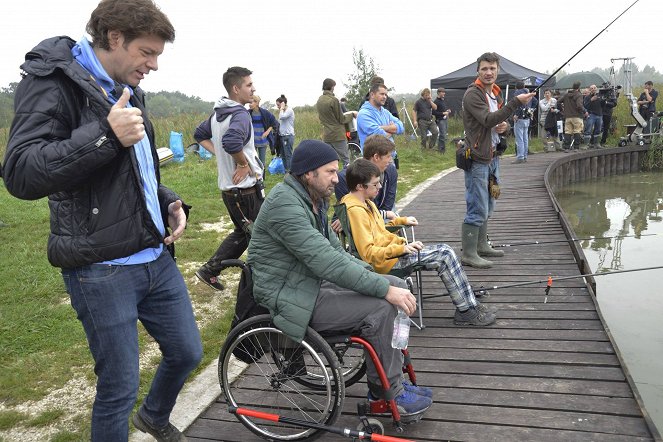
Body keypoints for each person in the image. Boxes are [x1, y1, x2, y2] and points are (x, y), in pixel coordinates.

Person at [2, 1, 202, 440]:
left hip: (155, 255)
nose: (153, 65)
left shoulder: (125, 85)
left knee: (187, 352)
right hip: (100, 268)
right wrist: (104, 135)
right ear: (114, 38)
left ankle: (153, 416)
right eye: (147, 53)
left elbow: (137, 168)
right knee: (118, 387)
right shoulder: (54, 82)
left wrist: (168, 201)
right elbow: (20, 171)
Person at [247, 140, 434, 418]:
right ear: (308, 173)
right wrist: (380, 288)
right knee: (382, 308)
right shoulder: (285, 205)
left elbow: (337, 251)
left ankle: (390, 378)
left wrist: (376, 278)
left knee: (398, 285)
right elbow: (326, 261)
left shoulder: (312, 199)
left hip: (308, 282)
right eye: (331, 172)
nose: (338, 179)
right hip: (290, 295)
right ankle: (386, 393)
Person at [341, 159, 497, 326]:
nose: (379, 187)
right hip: (388, 262)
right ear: (359, 186)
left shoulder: (365, 202)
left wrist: (401, 220)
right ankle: (467, 310)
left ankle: (469, 304)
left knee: (445, 251)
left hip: (393, 254)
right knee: (444, 254)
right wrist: (402, 248)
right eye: (375, 184)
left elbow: (378, 229)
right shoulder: (356, 211)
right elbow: (369, 253)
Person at [461, 52, 535, 268]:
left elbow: (498, 121)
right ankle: (469, 252)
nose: (489, 72)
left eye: (492, 68)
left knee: (491, 202)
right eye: (484, 68)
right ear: (478, 71)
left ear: (498, 70)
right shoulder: (472, 95)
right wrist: (515, 103)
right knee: (477, 205)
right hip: (477, 159)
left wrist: (506, 127)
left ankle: (482, 245)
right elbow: (487, 119)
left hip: (493, 157)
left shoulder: (494, 93)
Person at [194, 66, 264, 292]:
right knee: (258, 237)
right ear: (236, 89)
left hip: (234, 192)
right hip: (243, 192)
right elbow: (232, 143)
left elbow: (199, 135)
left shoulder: (218, 114)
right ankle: (257, 285)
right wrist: (242, 163)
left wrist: (220, 154)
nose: (253, 89)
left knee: (246, 234)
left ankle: (211, 270)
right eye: (249, 85)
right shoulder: (240, 114)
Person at [335, 134, 398, 220]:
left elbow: (388, 205)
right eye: (388, 156)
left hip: (379, 219)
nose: (391, 160)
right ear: (376, 157)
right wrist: (385, 214)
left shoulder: (390, 171)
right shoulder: (344, 178)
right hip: (357, 223)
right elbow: (350, 212)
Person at [316, 78, 357, 167]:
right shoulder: (333, 100)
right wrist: (352, 114)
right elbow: (341, 119)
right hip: (337, 135)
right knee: (346, 160)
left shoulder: (319, 100)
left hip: (326, 135)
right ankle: (348, 178)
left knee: (328, 161)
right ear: (332, 87)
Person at [357, 83, 405, 148]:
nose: (385, 97)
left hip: (391, 155)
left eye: (386, 95)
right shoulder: (364, 114)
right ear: (372, 95)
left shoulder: (385, 112)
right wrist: (392, 130)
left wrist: (382, 128)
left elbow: (401, 127)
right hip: (374, 156)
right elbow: (379, 137)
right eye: (382, 94)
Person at [248, 94, 278, 169]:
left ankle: (262, 178)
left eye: (251, 102)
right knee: (252, 161)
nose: (249, 104)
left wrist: (267, 131)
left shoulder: (265, 113)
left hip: (263, 141)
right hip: (252, 142)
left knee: (261, 162)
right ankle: (255, 179)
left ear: (257, 103)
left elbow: (274, 123)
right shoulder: (248, 113)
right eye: (249, 102)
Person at [512, 81, 536, 163]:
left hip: (520, 118)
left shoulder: (517, 93)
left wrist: (516, 114)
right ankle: (525, 156)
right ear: (524, 86)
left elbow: (518, 104)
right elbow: (535, 101)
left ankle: (520, 157)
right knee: (525, 138)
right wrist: (531, 110)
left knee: (519, 139)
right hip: (527, 118)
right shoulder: (528, 92)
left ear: (516, 87)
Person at [559, 81, 585, 151]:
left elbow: (559, 101)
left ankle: (566, 148)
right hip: (577, 116)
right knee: (577, 131)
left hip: (567, 117)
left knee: (568, 132)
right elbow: (579, 105)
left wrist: (562, 110)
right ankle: (576, 147)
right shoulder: (579, 95)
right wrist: (584, 111)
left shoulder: (566, 95)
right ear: (579, 87)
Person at [276, 94, 295, 171]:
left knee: (288, 155)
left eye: (278, 105)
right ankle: (286, 170)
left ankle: (291, 172)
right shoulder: (282, 111)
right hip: (282, 136)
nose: (277, 107)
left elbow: (282, 117)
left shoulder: (289, 110)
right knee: (283, 155)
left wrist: (281, 109)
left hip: (288, 136)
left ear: (283, 103)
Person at [583, 84, 604, 149]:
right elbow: (585, 106)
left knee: (598, 129)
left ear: (596, 89)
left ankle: (596, 144)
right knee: (588, 129)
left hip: (599, 115)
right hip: (591, 115)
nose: (593, 89)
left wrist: (603, 100)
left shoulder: (600, 96)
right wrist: (591, 100)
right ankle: (586, 144)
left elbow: (603, 105)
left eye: (594, 88)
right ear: (590, 90)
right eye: (592, 88)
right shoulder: (587, 97)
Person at [433, 87, 451, 153]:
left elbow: (442, 110)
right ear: (438, 93)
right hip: (440, 120)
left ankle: (442, 150)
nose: (444, 93)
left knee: (444, 135)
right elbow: (433, 112)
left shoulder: (443, 100)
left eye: (444, 92)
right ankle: (441, 151)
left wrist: (447, 111)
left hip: (445, 120)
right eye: (442, 92)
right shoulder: (436, 101)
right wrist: (443, 113)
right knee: (442, 135)